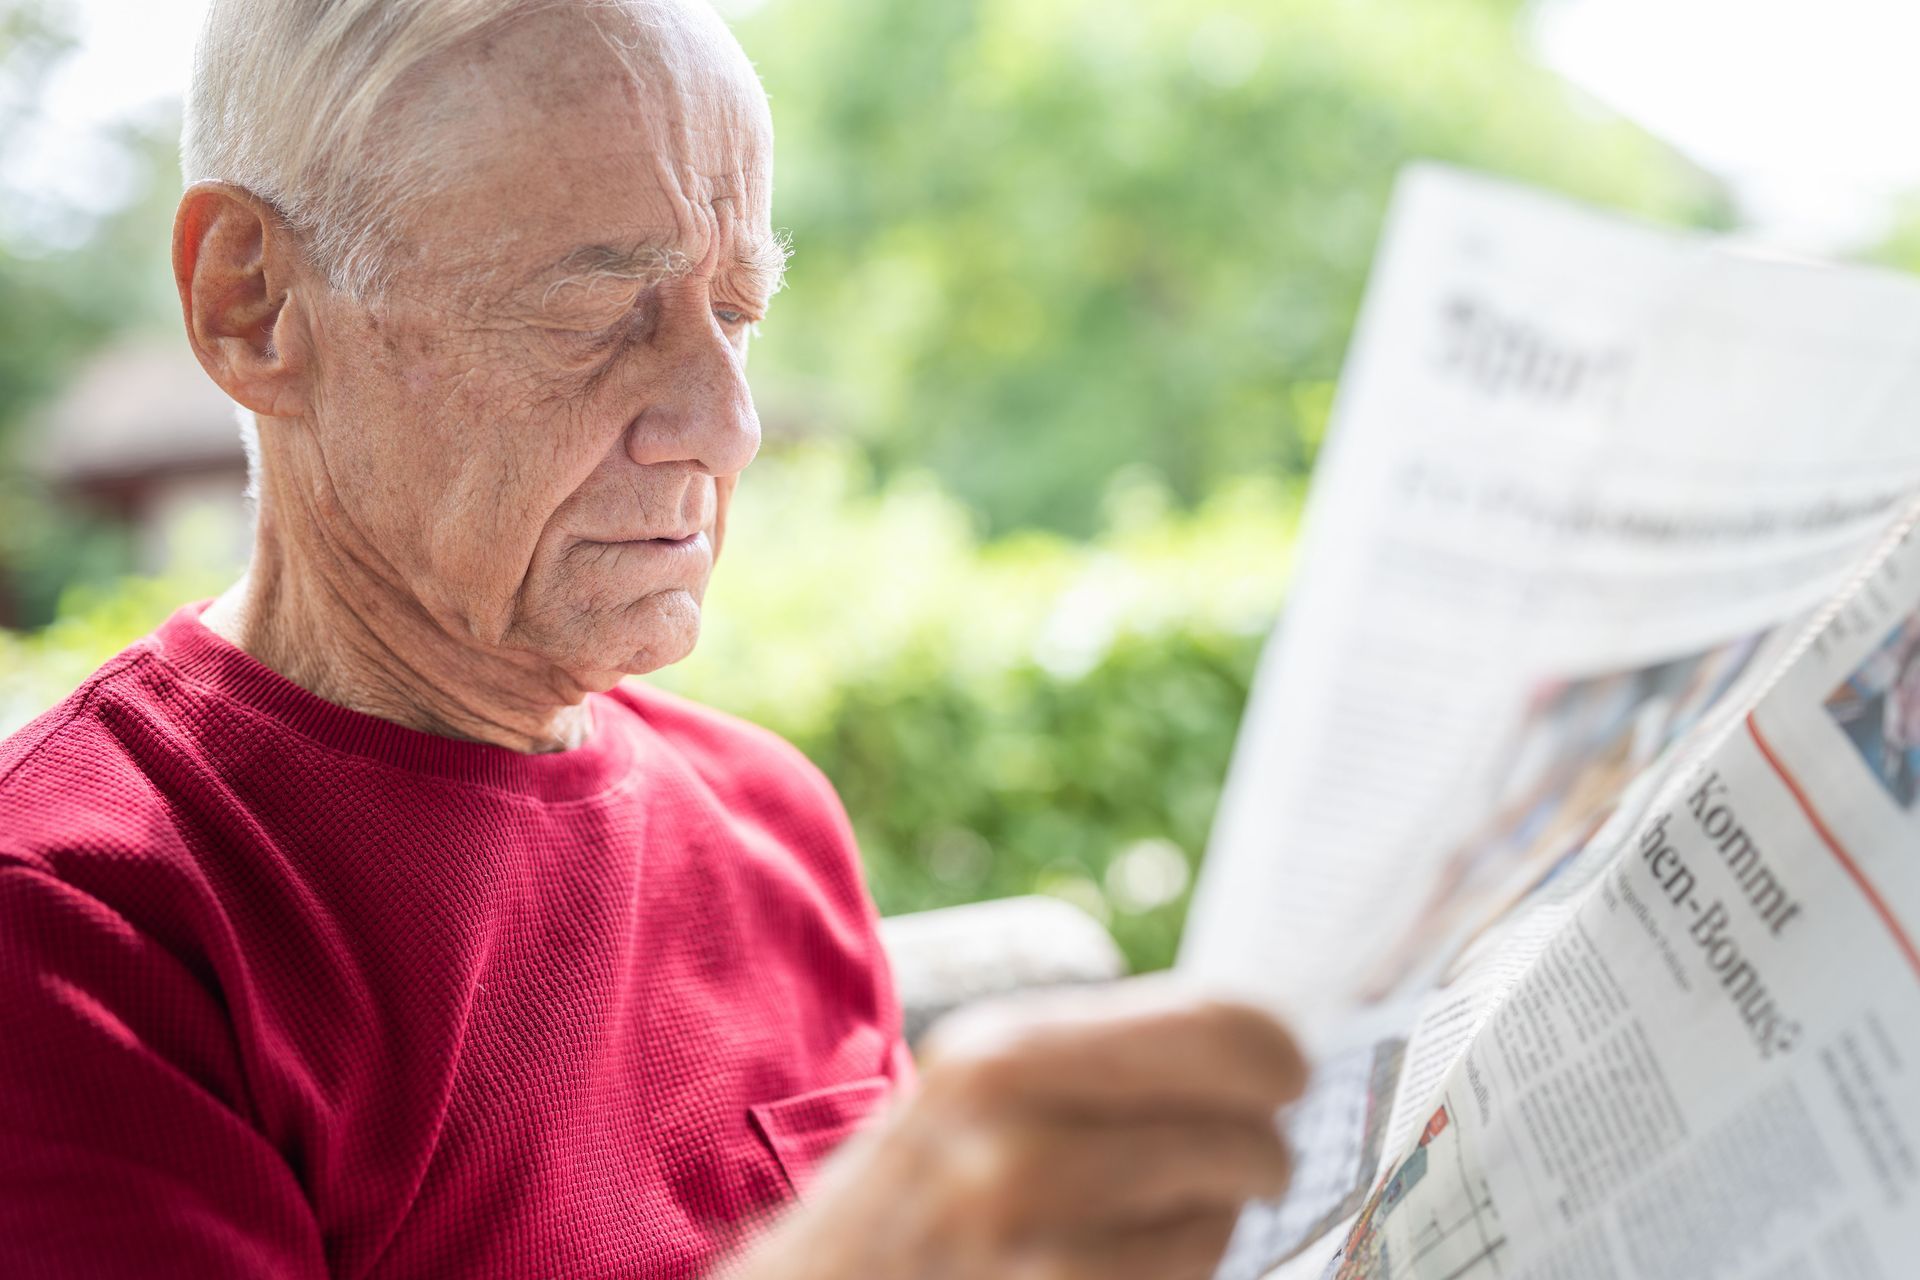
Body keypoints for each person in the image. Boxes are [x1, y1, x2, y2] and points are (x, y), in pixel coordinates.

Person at [0, 2, 1304, 1277]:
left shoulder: (772, 821)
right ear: (252, 303)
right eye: (598, 313)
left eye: (734, 313)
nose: (729, 426)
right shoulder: (70, 923)